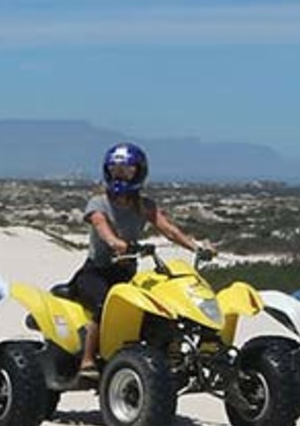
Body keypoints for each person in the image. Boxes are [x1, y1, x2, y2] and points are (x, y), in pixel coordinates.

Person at [69, 142, 212, 378]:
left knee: (158, 308)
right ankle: (86, 361)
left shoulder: (144, 205)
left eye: (126, 170)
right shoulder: (98, 202)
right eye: (115, 170)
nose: (120, 175)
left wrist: (196, 247)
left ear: (138, 172)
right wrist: (116, 244)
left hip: (126, 274)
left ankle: (163, 355)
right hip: (96, 272)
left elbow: (169, 230)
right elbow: (100, 225)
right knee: (103, 305)